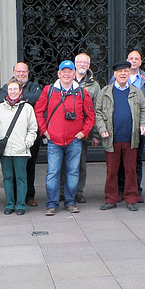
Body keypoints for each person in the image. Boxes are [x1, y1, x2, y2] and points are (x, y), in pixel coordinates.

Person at [34, 60, 95, 216]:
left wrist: (83, 132)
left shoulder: (82, 92)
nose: (67, 74)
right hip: (54, 140)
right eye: (64, 71)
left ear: (74, 74)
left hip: (74, 140)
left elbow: (90, 116)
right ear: (58, 74)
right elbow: (38, 111)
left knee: (73, 172)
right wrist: (45, 131)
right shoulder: (49, 90)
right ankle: (52, 204)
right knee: (53, 172)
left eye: (70, 71)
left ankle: (70, 202)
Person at [96, 61, 145, 211]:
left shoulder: (136, 91)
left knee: (130, 170)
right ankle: (111, 199)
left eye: (126, 71)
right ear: (115, 74)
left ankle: (131, 198)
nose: (123, 74)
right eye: (120, 72)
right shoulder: (105, 91)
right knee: (112, 171)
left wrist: (144, 125)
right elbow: (97, 112)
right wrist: (102, 129)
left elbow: (144, 110)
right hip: (111, 138)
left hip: (130, 138)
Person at [0, 79, 38, 215]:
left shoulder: (27, 108)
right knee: (8, 178)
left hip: (21, 150)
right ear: (7, 91)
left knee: (21, 178)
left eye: (15, 89)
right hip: (5, 150)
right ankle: (9, 204)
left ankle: (21, 204)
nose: (12, 92)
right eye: (10, 89)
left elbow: (32, 128)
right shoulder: (0, 108)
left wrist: (28, 142)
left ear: (20, 91)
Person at [0, 62, 42, 206]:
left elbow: (37, 98)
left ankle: (29, 196)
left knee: (29, 166)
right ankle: (14, 197)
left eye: (24, 72)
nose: (21, 74)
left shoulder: (34, 86)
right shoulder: (6, 87)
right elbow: (1, 100)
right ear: (13, 72)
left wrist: (21, 99)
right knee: (11, 170)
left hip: (29, 136)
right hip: (10, 138)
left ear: (28, 73)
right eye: (19, 71)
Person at [60, 53, 101, 204]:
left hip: (83, 130)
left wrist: (95, 133)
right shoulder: (63, 81)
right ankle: (62, 191)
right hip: (64, 129)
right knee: (63, 163)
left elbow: (97, 110)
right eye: (80, 62)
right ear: (75, 64)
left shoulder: (94, 86)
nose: (82, 64)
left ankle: (78, 192)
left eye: (85, 62)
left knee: (80, 163)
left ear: (89, 66)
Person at [117, 50, 145, 203]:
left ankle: (136, 190)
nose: (133, 61)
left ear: (140, 62)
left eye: (136, 59)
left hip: (139, 127)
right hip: (121, 126)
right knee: (120, 160)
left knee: (137, 160)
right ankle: (120, 189)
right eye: (131, 58)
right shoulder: (118, 77)